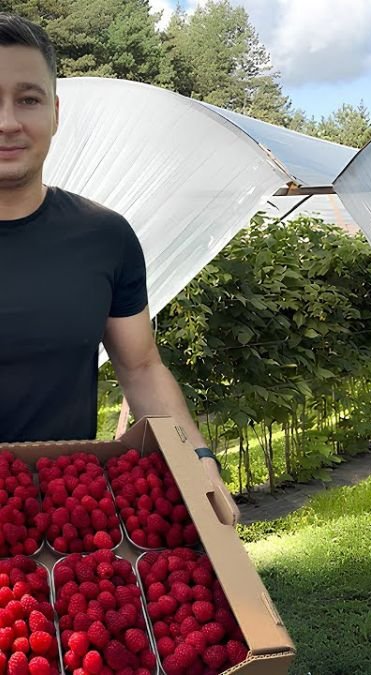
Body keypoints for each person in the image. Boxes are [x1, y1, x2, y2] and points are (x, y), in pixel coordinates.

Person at [0, 12, 239, 522]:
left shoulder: (103, 237)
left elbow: (141, 367)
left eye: (28, 98)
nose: (7, 121)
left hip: (58, 514)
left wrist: (198, 459)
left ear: (56, 111)